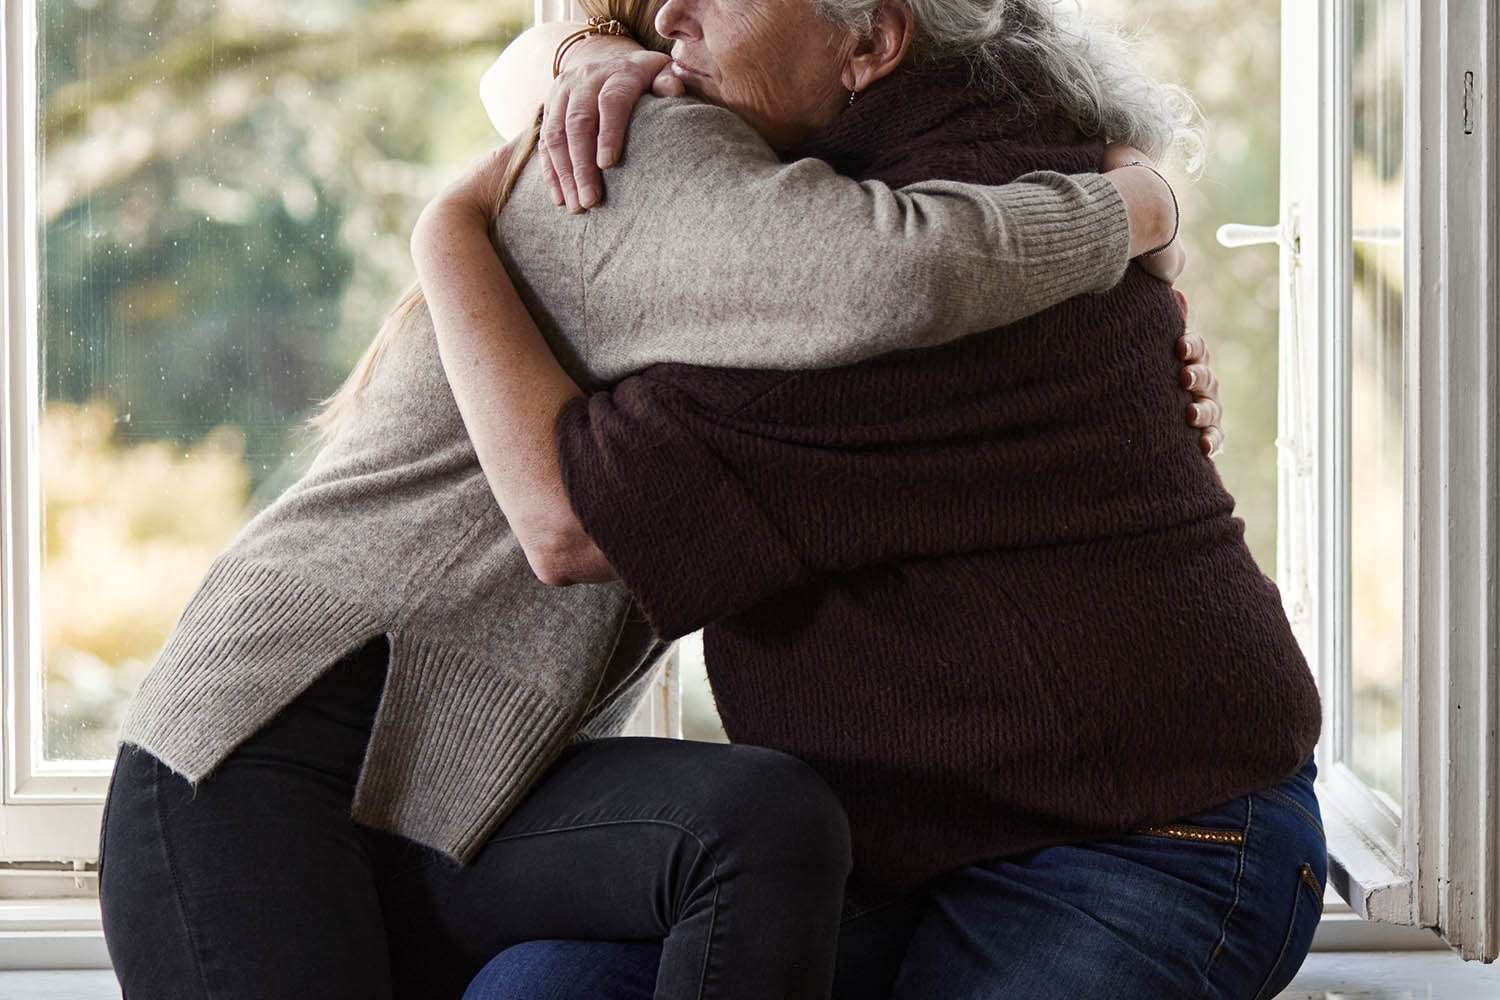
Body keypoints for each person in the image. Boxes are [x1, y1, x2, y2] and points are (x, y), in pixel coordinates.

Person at [95, 1, 1214, 997]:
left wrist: (1128, 343)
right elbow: (898, 273)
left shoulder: (672, 124)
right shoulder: (643, 143)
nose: (679, 15)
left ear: (875, 42)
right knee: (759, 824)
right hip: (262, 747)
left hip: (451, 777)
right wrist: (1140, 204)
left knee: (756, 826)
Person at [413, 2, 1327, 998]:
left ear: (870, 43)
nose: (670, 17)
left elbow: (569, 523)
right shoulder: (881, 174)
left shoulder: (907, 272)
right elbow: (524, 85)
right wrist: (578, 50)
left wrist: (446, 225)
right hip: (886, 850)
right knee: (538, 988)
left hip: (1151, 836)